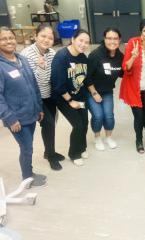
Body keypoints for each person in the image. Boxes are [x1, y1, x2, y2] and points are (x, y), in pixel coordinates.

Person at [0, 27, 46, 187]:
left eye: (11, 38)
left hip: (31, 112)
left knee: (28, 146)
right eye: (3, 39)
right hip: (16, 118)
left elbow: (34, 85)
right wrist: (10, 118)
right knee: (26, 148)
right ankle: (27, 177)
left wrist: (39, 107)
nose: (8, 41)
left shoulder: (22, 59)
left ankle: (29, 174)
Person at [21, 24, 65, 171]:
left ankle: (48, 151)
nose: (46, 40)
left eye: (50, 37)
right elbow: (31, 82)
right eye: (43, 36)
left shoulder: (51, 53)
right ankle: (51, 155)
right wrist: (40, 67)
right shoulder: (26, 54)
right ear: (36, 35)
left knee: (52, 123)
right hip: (36, 97)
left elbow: (52, 76)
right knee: (49, 124)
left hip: (49, 95)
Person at [119, 18, 145, 154]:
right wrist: (133, 56)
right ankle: (138, 140)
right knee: (139, 117)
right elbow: (126, 67)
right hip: (133, 88)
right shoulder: (133, 43)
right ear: (141, 32)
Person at [51, 29, 90, 166]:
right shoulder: (61, 57)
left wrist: (84, 98)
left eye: (86, 42)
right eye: (81, 40)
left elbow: (83, 79)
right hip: (63, 97)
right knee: (78, 125)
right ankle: (74, 153)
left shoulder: (83, 57)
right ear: (73, 39)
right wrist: (70, 101)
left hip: (79, 95)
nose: (83, 44)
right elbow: (58, 84)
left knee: (85, 123)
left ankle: (82, 147)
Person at [85, 27, 124, 151]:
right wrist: (94, 92)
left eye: (115, 38)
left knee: (109, 116)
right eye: (109, 38)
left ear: (119, 40)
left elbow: (124, 73)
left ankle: (108, 137)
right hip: (91, 90)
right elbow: (87, 76)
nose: (112, 41)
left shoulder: (120, 56)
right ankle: (97, 137)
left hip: (107, 91)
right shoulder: (95, 55)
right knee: (98, 115)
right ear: (104, 39)